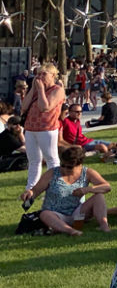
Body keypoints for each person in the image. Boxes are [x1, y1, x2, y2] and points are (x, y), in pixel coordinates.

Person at [20, 143, 111, 235]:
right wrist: (29, 193)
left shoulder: (87, 172)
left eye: (69, 167)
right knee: (45, 214)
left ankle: (104, 225)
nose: (64, 169)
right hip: (56, 214)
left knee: (99, 196)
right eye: (62, 165)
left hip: (77, 212)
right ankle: (70, 231)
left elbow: (107, 187)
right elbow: (36, 190)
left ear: (79, 165)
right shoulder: (52, 173)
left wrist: (88, 189)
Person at [22, 63, 65, 192]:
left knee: (51, 158)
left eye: (43, 74)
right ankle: (31, 188)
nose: (40, 77)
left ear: (53, 75)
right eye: (38, 74)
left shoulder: (57, 89)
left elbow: (45, 107)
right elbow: (24, 107)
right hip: (31, 128)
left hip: (47, 128)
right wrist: (33, 90)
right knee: (34, 160)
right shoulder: (36, 90)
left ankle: (54, 187)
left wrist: (40, 90)